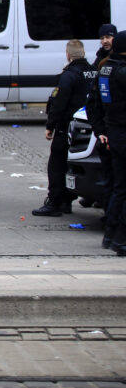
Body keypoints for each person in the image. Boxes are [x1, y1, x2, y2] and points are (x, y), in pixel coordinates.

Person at [33, 40, 96, 217]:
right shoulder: (93, 72)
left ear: (68, 55)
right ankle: (67, 201)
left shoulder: (68, 75)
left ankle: (54, 202)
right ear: (83, 53)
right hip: (87, 126)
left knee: (56, 164)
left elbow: (59, 103)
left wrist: (50, 125)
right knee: (71, 164)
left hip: (67, 125)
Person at [86, 30, 126, 253]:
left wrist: (101, 130)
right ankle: (120, 238)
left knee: (117, 187)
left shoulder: (105, 69)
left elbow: (94, 104)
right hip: (121, 132)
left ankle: (111, 235)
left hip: (112, 132)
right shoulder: (121, 71)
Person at [93, 23, 117, 219]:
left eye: (108, 37)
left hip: (111, 128)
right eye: (102, 38)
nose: (105, 41)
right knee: (112, 177)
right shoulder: (101, 59)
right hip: (108, 128)